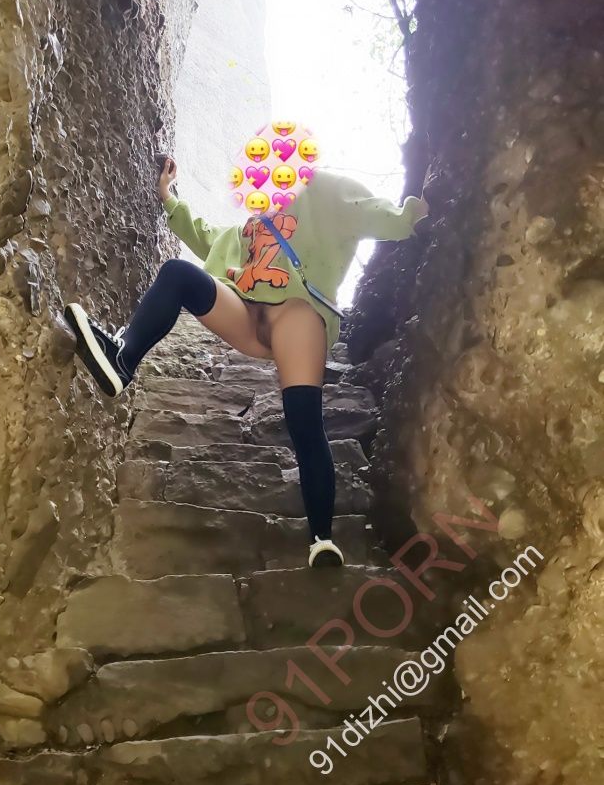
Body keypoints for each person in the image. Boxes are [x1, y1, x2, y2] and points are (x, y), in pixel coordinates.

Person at [64, 136, 428, 569]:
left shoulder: (324, 190)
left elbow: (375, 215)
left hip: (296, 314)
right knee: (178, 273)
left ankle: (322, 539)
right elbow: (205, 238)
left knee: (304, 422)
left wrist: (416, 212)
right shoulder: (251, 227)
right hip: (246, 312)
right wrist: (168, 198)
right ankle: (122, 361)